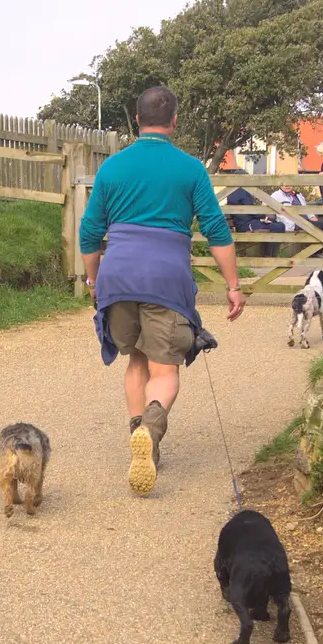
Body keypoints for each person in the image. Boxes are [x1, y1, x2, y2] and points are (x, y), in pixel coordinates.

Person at [80, 85, 245, 496]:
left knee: (136, 358)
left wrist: (93, 280)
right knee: (165, 368)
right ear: (174, 121)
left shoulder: (113, 168)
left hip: (118, 275)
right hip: (167, 278)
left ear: (136, 119)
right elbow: (216, 230)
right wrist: (233, 286)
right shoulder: (190, 169)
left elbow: (89, 231)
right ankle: (151, 431)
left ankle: (140, 435)